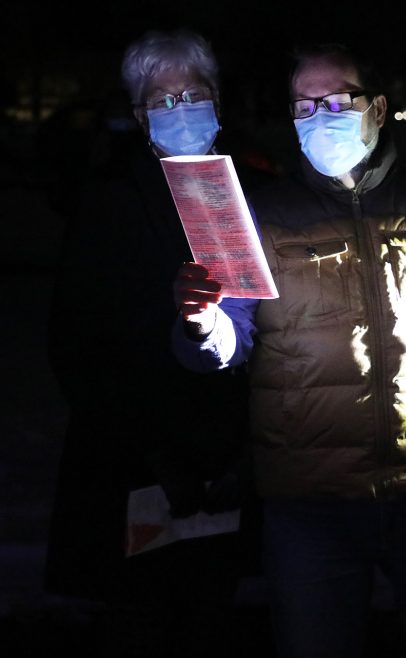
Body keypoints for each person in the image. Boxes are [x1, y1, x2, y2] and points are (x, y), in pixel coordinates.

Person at [171, 43, 406, 658]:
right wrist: (203, 322)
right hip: (310, 509)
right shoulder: (262, 217)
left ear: (379, 108)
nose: (319, 116)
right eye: (304, 106)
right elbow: (224, 349)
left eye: (337, 100)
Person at [45, 29, 253, 658]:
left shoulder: (249, 193)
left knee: (212, 617)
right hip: (134, 464)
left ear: (218, 100)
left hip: (230, 463)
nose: (181, 108)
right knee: (140, 619)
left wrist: (245, 449)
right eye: (163, 100)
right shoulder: (110, 205)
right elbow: (78, 344)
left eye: (194, 93)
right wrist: (157, 455)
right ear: (139, 116)